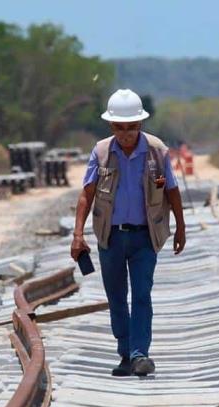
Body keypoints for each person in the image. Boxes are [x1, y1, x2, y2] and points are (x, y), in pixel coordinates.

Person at [70, 89, 186, 377]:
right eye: (119, 128)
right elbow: (87, 194)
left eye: (131, 127)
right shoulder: (101, 152)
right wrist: (77, 234)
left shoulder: (157, 152)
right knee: (117, 296)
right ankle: (125, 353)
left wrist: (181, 227)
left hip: (145, 237)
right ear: (111, 126)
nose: (126, 134)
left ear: (140, 125)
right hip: (111, 237)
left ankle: (139, 354)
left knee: (142, 294)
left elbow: (171, 189)